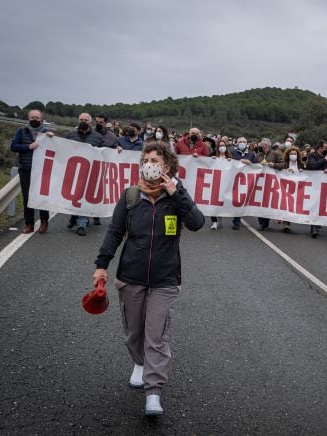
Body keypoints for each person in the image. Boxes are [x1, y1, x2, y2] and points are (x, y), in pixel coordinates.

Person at [93, 141, 204, 417]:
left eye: (155, 160)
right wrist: (102, 265)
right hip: (131, 276)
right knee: (134, 332)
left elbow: (197, 222)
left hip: (165, 279)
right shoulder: (131, 196)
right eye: (146, 160)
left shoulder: (176, 196)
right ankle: (139, 363)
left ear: (167, 166)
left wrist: (176, 193)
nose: (149, 164)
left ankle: (153, 392)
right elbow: (114, 233)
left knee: (156, 335)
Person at [10, 109, 51, 234]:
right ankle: (29, 224)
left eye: (37, 118)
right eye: (32, 117)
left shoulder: (47, 133)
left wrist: (52, 138)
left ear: (41, 120)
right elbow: (13, 146)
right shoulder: (21, 131)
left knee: (43, 197)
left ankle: (44, 222)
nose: (34, 119)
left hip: (42, 171)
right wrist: (28, 147)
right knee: (27, 198)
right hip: (26, 170)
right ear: (28, 119)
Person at [65, 113, 105, 235]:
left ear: (90, 122)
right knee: (74, 197)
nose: (83, 121)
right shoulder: (70, 136)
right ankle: (74, 217)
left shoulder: (98, 137)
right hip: (73, 173)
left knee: (83, 198)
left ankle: (81, 224)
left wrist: (117, 149)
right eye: (81, 119)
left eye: (86, 120)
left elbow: (104, 154)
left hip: (90, 174)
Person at [257, 138, 285, 231]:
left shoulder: (275, 154)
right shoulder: (259, 155)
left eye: (263, 144)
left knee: (266, 202)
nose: (261, 145)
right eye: (261, 144)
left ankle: (265, 222)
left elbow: (283, 164)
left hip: (271, 182)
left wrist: (275, 165)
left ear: (267, 145)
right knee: (259, 202)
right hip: (260, 182)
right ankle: (261, 222)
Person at [230, 137, 258, 230]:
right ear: (237, 144)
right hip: (234, 179)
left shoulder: (251, 154)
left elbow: (257, 166)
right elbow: (228, 163)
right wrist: (238, 162)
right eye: (240, 142)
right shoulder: (233, 153)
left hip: (246, 181)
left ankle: (237, 220)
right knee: (235, 200)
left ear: (247, 144)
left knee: (242, 201)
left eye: (244, 142)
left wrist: (251, 163)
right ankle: (235, 220)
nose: (242, 143)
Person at [306, 140, 327, 238]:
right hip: (313, 184)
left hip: (323, 185)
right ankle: (314, 228)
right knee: (314, 206)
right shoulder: (312, 156)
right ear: (320, 148)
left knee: (320, 206)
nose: (326, 150)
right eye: (325, 148)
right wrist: (325, 159)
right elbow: (313, 166)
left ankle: (316, 226)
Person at [209, 140, 232, 230]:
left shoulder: (229, 156)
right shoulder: (213, 155)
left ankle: (220, 219)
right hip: (214, 182)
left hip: (225, 183)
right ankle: (214, 222)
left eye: (224, 145)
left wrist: (231, 161)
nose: (222, 147)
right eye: (220, 145)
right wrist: (211, 160)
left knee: (221, 202)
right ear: (218, 147)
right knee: (213, 202)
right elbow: (204, 162)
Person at [281, 146, 302, 233]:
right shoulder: (285, 163)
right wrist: (285, 170)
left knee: (293, 206)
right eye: (291, 154)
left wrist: (303, 171)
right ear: (288, 155)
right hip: (286, 187)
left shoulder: (301, 164)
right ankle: (287, 223)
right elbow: (280, 169)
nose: (293, 155)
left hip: (297, 188)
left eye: (295, 154)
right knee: (286, 204)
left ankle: (288, 220)